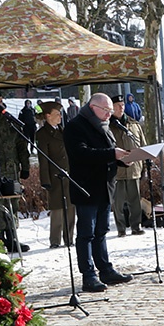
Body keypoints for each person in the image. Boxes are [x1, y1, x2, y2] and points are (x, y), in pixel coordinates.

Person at [62, 93, 133, 292]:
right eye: (106, 110)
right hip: (86, 188)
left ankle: (105, 269)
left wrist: (122, 159)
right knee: (86, 233)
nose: (110, 114)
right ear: (93, 107)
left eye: (111, 111)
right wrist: (113, 154)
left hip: (105, 188)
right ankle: (89, 275)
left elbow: (107, 152)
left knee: (101, 232)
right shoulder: (76, 126)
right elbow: (81, 154)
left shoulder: (104, 125)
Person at [0, 93, 31, 252]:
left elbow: (22, 146)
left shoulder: (11, 121)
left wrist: (25, 167)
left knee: (12, 205)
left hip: (11, 171)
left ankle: (13, 237)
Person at [36, 102, 75, 249]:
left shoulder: (62, 131)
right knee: (57, 208)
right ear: (48, 116)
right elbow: (43, 159)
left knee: (71, 208)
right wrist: (45, 180)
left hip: (68, 174)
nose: (60, 117)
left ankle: (69, 238)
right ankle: (55, 240)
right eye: (57, 114)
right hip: (55, 175)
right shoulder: (42, 134)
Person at [109, 95, 146, 237]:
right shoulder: (107, 126)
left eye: (122, 105)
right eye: (117, 105)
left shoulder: (133, 124)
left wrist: (143, 163)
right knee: (118, 203)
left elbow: (142, 144)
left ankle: (136, 226)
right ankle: (121, 229)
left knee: (135, 200)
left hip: (133, 168)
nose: (121, 108)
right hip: (117, 170)